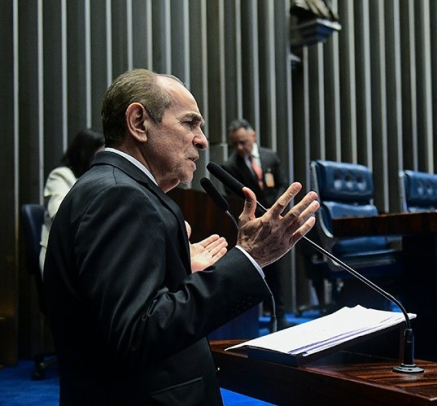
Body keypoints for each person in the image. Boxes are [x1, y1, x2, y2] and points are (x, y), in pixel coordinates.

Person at [43, 68, 319, 405]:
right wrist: (250, 258)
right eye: (190, 123)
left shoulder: (118, 188)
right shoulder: (119, 196)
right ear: (139, 122)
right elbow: (138, 334)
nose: (203, 139)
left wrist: (178, 271)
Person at [222, 119, 292, 329]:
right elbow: (234, 197)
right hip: (256, 223)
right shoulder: (229, 166)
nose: (240, 148)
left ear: (253, 136)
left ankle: (280, 316)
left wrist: (276, 210)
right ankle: (267, 316)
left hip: (277, 218)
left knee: (278, 271)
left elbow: (282, 184)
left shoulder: (270, 156)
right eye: (235, 144)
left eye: (243, 142)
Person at [39, 129, 105, 275]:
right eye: (99, 155)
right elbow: (60, 215)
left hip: (87, 254)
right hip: (60, 257)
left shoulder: (100, 179)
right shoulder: (61, 176)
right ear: (84, 154)